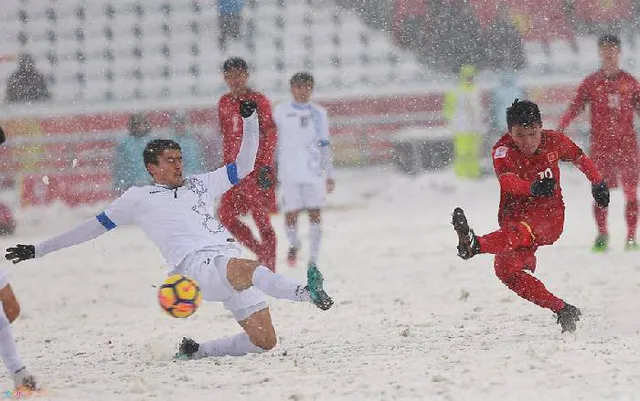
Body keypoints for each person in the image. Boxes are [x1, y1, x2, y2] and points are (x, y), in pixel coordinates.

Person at [5, 101, 333, 360]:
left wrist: (249, 123)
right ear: (152, 167)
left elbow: (245, 165)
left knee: (264, 342)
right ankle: (307, 293)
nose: (179, 165)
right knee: (248, 268)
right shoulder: (138, 198)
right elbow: (90, 229)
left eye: (179, 158)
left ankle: (197, 351)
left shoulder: (200, 183)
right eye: (170, 160)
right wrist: (38, 250)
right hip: (195, 268)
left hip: (226, 260)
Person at [452, 99, 610, 333]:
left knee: (521, 231)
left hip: (549, 217)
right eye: (520, 135)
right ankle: (563, 309)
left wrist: (598, 182)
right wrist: (532, 187)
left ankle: (476, 245)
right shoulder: (502, 150)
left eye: (532, 134)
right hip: (513, 218)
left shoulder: (555, 141)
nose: (527, 142)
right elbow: (507, 181)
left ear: (540, 127)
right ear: (510, 132)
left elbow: (579, 158)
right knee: (505, 271)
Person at [558, 34, 639, 252]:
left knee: (631, 192)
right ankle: (602, 234)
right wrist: (561, 127)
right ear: (599, 52)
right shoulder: (591, 83)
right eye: (604, 49)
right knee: (601, 191)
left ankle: (631, 237)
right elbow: (575, 107)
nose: (608, 53)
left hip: (627, 147)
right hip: (602, 148)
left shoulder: (630, 83)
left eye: (612, 49)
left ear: (619, 52)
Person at [217, 57, 278, 271]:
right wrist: (226, 166)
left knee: (261, 218)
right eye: (230, 75)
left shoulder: (258, 100)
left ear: (246, 75)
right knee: (225, 216)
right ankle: (260, 253)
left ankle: (270, 267)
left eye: (238, 74)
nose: (235, 79)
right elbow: (227, 137)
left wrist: (264, 164)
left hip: (255, 169)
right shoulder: (224, 103)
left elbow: (270, 133)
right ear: (225, 77)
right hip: (234, 171)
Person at [273, 72, 335, 269]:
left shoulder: (319, 113)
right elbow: (273, 143)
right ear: (292, 89)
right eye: (299, 87)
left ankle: (313, 258)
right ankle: (294, 244)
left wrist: (329, 174)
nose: (303, 91)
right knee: (291, 213)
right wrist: (271, 169)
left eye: (307, 87)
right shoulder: (280, 112)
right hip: (288, 172)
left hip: (313, 172)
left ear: (312, 88)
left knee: (315, 213)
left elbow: (325, 145)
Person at [443, 64, 486, 179]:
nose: (470, 79)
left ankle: (473, 174)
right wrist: (452, 121)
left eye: (471, 76)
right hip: (462, 127)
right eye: (468, 76)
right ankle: (461, 176)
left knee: (474, 153)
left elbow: (479, 108)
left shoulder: (476, 90)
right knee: (462, 152)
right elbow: (448, 108)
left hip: (475, 127)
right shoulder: (456, 91)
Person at [112, 113, 153, 195]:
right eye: (137, 124)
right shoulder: (124, 144)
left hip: (150, 186)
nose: (140, 127)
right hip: (130, 186)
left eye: (142, 124)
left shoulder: (153, 142)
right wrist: (119, 185)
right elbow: (118, 167)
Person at [167, 110, 204, 176]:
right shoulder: (169, 141)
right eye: (177, 124)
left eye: (182, 123)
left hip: (190, 175)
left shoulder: (191, 141)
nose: (179, 126)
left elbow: (194, 163)